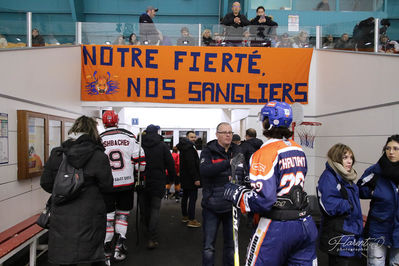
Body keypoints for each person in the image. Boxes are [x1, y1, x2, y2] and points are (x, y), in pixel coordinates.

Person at [223, 101, 318, 265]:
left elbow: (264, 200)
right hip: (305, 223)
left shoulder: (264, 153)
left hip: (277, 226)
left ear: (268, 122)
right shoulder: (298, 149)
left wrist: (239, 195)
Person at [40, 115, 114, 266]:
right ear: (93, 132)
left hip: (61, 217)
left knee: (64, 257)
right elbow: (107, 186)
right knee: (88, 257)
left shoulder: (57, 154)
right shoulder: (99, 156)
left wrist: (65, 190)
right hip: (90, 216)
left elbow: (46, 183)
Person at [99, 110, 145, 265]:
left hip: (107, 185)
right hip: (126, 183)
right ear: (117, 121)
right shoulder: (129, 136)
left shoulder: (99, 139)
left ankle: (106, 250)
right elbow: (142, 164)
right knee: (123, 215)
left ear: (104, 122)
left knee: (109, 217)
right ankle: (120, 245)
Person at [200, 122, 244, 266]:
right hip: (212, 206)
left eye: (230, 132)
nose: (228, 135)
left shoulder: (238, 151)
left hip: (231, 207)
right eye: (224, 132)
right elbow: (205, 171)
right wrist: (228, 163)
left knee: (231, 247)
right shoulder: (208, 151)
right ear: (217, 135)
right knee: (208, 247)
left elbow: (243, 174)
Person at [317, 144, 363, 265]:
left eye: (351, 157)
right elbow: (328, 205)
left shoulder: (346, 177)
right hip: (338, 234)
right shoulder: (329, 176)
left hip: (349, 231)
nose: (349, 161)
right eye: (345, 157)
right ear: (337, 158)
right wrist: (348, 205)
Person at [357, 135, 399, 265]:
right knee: (375, 263)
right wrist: (374, 192)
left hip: (398, 230)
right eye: (388, 148)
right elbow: (359, 188)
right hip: (378, 227)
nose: (391, 152)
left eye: (395, 148)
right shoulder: (376, 170)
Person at [141, 124, 177, 249]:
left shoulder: (140, 145)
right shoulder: (162, 146)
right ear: (157, 132)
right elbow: (170, 164)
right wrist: (172, 179)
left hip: (143, 181)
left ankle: (146, 232)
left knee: (145, 208)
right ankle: (152, 237)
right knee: (155, 209)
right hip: (158, 181)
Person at [177, 131, 201, 228]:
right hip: (191, 178)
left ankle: (185, 216)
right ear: (187, 137)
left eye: (195, 137)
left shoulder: (183, 147)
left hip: (184, 177)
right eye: (191, 137)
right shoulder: (189, 148)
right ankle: (191, 220)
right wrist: (196, 178)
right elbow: (191, 165)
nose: (194, 139)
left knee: (185, 197)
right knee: (192, 198)